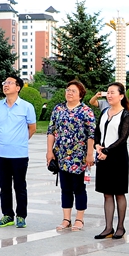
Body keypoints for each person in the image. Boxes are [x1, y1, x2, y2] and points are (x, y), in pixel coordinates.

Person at [47, 80, 96, 232]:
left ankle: (79, 219)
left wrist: (89, 154)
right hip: (62, 155)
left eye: (73, 91)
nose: (69, 93)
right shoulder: (58, 109)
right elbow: (51, 131)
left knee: (79, 188)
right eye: (68, 90)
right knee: (65, 188)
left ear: (80, 95)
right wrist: (49, 151)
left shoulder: (86, 111)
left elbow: (91, 134)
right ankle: (66, 219)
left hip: (79, 157)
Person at [0, 75, 37, 228]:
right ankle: (7, 215)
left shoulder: (27, 107)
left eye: (10, 83)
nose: (6, 85)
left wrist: (20, 140)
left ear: (18, 87)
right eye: (4, 82)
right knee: (4, 187)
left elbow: (32, 128)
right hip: (1, 153)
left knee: (20, 186)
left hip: (19, 154)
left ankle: (21, 216)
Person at [94, 83, 129, 239]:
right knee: (107, 194)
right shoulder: (104, 112)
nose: (109, 95)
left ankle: (120, 227)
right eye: (108, 92)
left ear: (121, 96)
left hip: (118, 157)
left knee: (119, 193)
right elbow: (97, 131)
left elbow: (122, 138)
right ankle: (108, 227)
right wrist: (97, 146)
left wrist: (107, 151)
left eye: (112, 93)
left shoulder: (125, 115)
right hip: (102, 156)